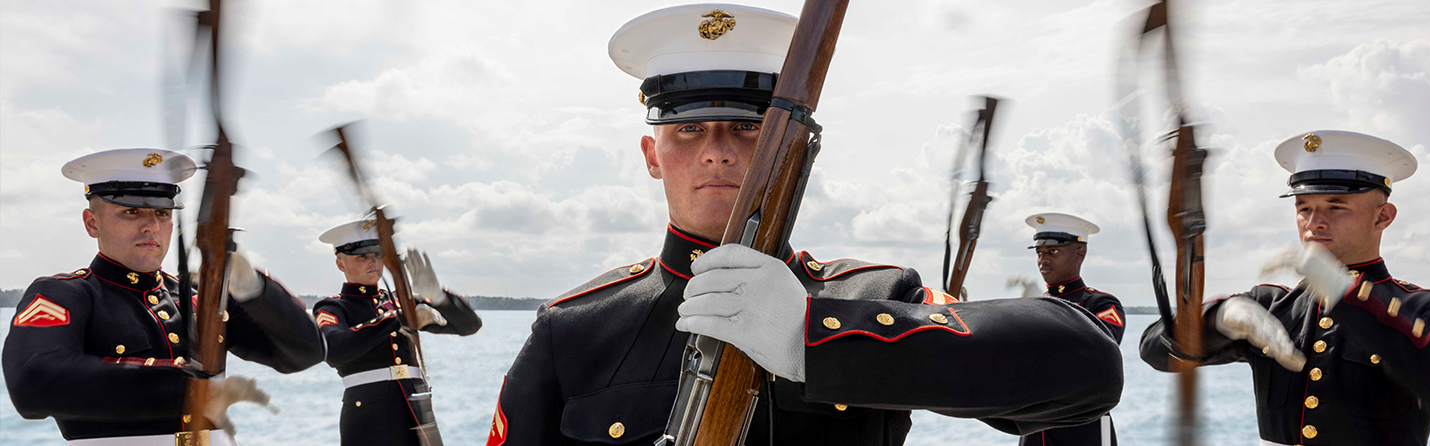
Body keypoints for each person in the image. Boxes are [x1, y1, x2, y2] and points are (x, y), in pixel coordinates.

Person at [484, 5, 1124, 445]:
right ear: (653, 156)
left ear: (791, 152)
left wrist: (814, 337)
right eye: (687, 129)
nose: (717, 149)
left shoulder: (872, 297)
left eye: (747, 127)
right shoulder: (574, 329)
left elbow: (1083, 367)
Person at [3, 148, 326, 445]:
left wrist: (254, 289)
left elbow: (304, 353)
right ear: (92, 223)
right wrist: (191, 390)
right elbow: (33, 383)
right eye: (131, 212)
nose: (151, 227)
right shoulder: (66, 294)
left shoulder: (198, 297)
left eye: (163, 214)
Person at [1138, 130, 1430, 445]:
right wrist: (1218, 318)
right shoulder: (1273, 306)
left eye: (1336, 207)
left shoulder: (1420, 309)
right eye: (1303, 207)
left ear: (1383, 216)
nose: (1315, 222)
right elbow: (1156, 352)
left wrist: (1345, 293)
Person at [311, 218, 482, 446]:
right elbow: (334, 349)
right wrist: (398, 318)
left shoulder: (400, 302)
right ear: (340, 264)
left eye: (377, 254)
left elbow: (469, 325)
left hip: (416, 409)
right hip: (369, 415)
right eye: (362, 256)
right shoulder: (333, 307)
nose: (373, 262)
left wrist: (439, 298)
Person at [1008, 213, 1124, 446]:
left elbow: (1096, 353)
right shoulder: (1031, 306)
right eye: (1039, 253)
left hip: (1082, 433)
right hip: (1033, 431)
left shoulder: (1101, 305)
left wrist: (1042, 313)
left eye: (1053, 251)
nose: (1043, 259)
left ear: (1080, 254)